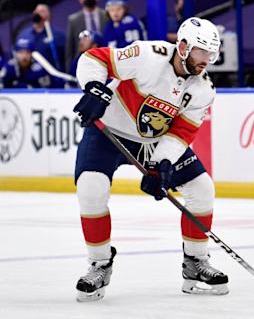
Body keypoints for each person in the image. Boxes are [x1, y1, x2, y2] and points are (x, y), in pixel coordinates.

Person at [73, 17, 227, 302]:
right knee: (90, 188)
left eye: (211, 53)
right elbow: (93, 58)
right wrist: (95, 87)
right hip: (111, 132)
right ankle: (99, 263)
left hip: (154, 141)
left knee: (202, 188)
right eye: (201, 51)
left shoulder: (204, 89)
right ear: (182, 46)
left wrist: (162, 163)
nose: (206, 59)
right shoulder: (148, 54)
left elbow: (182, 132)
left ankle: (195, 262)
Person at [17, 4, 66, 71]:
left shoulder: (58, 35)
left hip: (51, 74)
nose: (37, 13)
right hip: (28, 75)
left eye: (42, 11)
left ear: (49, 15)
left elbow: (66, 56)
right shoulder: (24, 34)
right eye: (36, 11)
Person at [66, 0, 108, 72]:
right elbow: (70, 48)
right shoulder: (73, 20)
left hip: (106, 62)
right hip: (83, 65)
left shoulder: (108, 16)